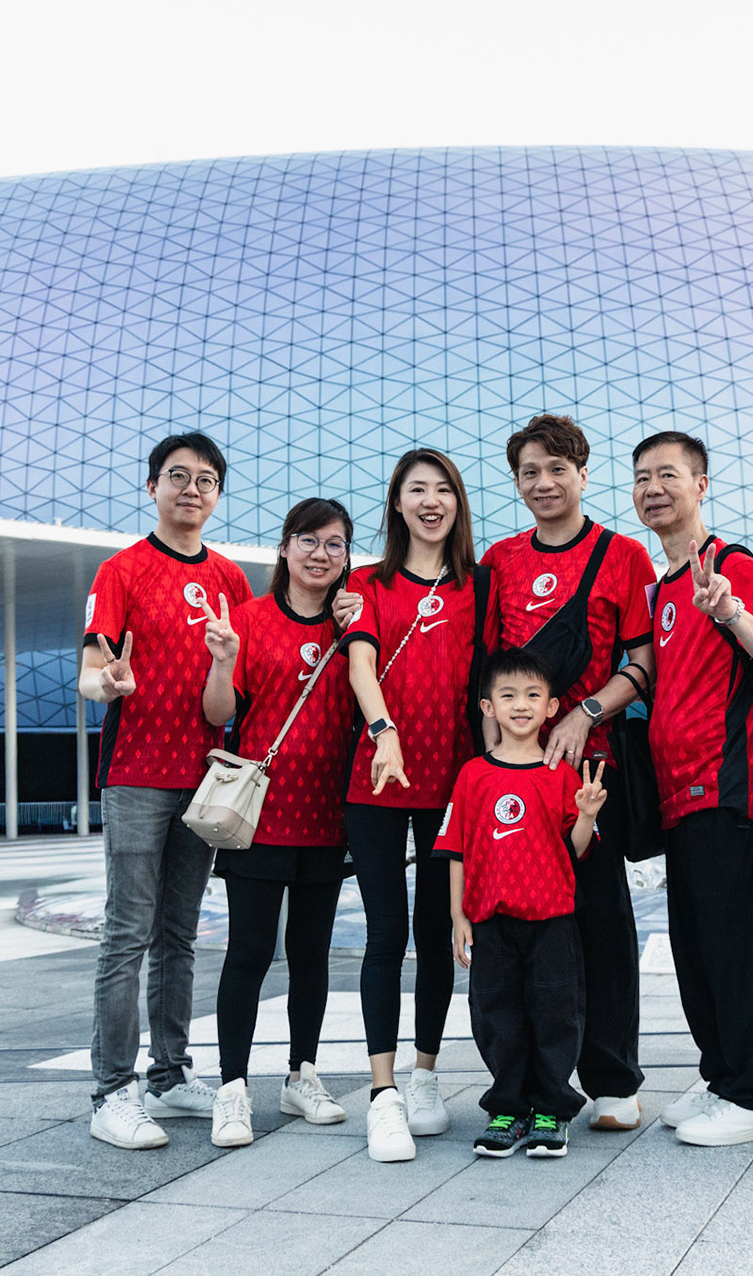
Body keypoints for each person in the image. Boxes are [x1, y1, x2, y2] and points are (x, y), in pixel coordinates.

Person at [479, 413, 654, 1132]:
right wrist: (495, 765)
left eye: (557, 469)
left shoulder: (624, 557)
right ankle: (525, 1087)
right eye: (530, 472)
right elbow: (484, 675)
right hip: (517, 783)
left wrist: (585, 711)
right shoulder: (499, 560)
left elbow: (643, 662)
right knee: (521, 934)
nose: (544, 483)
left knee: (602, 923)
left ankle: (612, 1078)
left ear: (583, 474)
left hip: (592, 774)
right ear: (517, 482)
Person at [79, 431, 254, 1151]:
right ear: (152, 487)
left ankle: (170, 1073)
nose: (191, 489)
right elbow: (94, 669)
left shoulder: (231, 581)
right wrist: (107, 684)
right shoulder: (122, 571)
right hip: (136, 778)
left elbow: (234, 694)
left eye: (205, 480)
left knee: (179, 936)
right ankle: (110, 1091)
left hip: (205, 779)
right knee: (127, 933)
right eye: (177, 477)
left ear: (217, 496)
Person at [629, 432, 753, 1147]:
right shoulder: (661, 586)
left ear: (701, 484)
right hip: (678, 795)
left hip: (729, 786)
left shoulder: (729, 564)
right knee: (695, 946)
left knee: (735, 945)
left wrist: (730, 611)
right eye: (642, 478)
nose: (653, 488)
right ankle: (722, 1073)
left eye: (669, 474)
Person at [333, 449, 478, 1162]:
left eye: (442, 489)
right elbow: (362, 661)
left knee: (436, 931)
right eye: (416, 489)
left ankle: (425, 1074)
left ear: (457, 503)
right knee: (387, 930)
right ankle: (383, 1092)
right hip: (378, 780)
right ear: (396, 503)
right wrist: (383, 731)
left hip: (452, 782)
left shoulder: (477, 588)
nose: (430, 500)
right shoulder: (367, 585)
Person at [201, 498, 358, 1149]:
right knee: (249, 953)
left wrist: (357, 629)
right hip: (260, 817)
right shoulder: (249, 620)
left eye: (335, 544)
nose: (321, 554)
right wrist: (222, 659)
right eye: (309, 540)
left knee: (311, 954)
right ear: (286, 548)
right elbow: (218, 714)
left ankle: (302, 1076)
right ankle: (232, 1089)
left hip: (328, 816)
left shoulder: (354, 626)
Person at [437, 647, 607, 1158]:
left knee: (555, 1013)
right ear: (487, 707)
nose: (521, 705)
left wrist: (586, 814)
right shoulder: (473, 775)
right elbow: (455, 848)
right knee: (496, 1014)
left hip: (551, 919)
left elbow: (575, 850)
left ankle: (551, 1109)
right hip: (491, 921)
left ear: (553, 707)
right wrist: (458, 915)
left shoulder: (561, 774)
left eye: (533, 695)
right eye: (508, 695)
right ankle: (507, 1108)